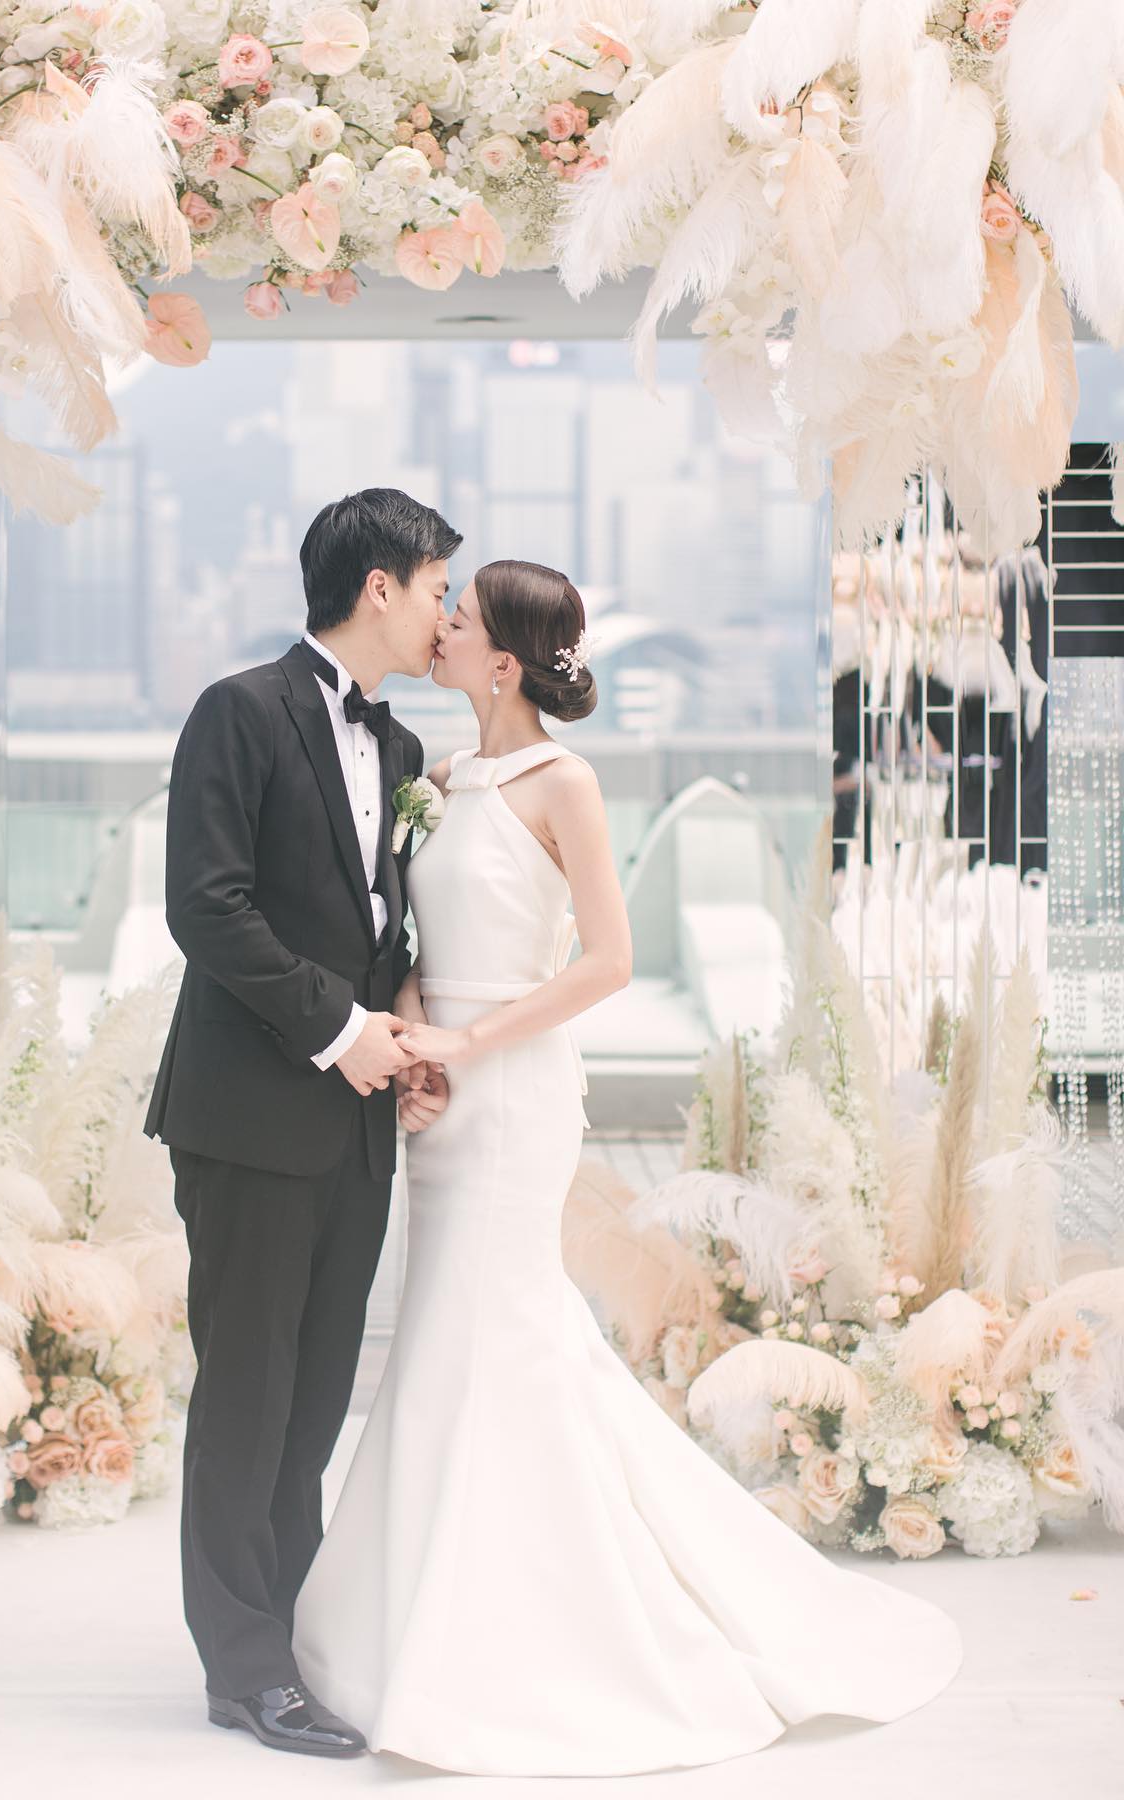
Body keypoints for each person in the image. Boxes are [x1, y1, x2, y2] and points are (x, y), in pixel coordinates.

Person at [291, 559, 965, 1776]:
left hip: (518, 1093)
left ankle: (531, 1639)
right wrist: (407, 1032)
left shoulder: (567, 782)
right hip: (446, 1090)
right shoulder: (439, 782)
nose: (438, 627)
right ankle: (423, 1619)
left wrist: (470, 1039)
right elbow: (412, 937)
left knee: (494, 1336)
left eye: (461, 619)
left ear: (501, 663)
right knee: (454, 1337)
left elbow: (606, 960)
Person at [142, 488, 458, 1757]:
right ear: (378, 588)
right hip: (251, 1114)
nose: (446, 612)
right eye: (440, 587)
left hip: (355, 1125)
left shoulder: (404, 753)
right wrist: (341, 1031)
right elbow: (207, 908)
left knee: (321, 1388)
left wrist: (405, 1034)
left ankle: (293, 1626)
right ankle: (245, 1669)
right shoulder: (239, 711)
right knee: (248, 1392)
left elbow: (383, 931)